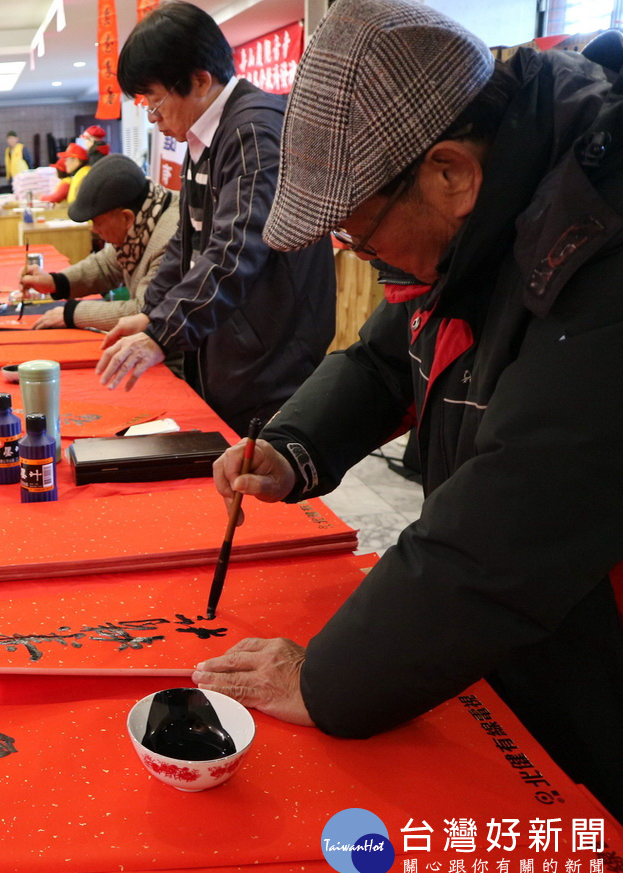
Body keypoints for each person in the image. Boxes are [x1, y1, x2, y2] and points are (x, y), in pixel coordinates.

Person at [200, 0, 623, 820]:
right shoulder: (510, 204)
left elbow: (507, 533)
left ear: (452, 173)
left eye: (360, 233)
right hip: (537, 624)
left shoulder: (601, 247)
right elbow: (392, 349)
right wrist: (291, 445)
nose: (360, 256)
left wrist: (323, 678)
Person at [96, 0, 335, 434]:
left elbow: (235, 249)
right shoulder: (206, 133)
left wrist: (162, 333)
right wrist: (153, 314)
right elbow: (186, 245)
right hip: (232, 346)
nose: (155, 118)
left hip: (268, 358)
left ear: (200, 81)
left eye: (156, 102)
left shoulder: (252, 132)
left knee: (260, 481)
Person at [23, 154, 179, 333]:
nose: (94, 230)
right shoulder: (146, 213)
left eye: (97, 222)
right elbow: (107, 265)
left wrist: (72, 314)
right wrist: (55, 282)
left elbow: (145, 313)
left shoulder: (170, 237)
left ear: (126, 217)